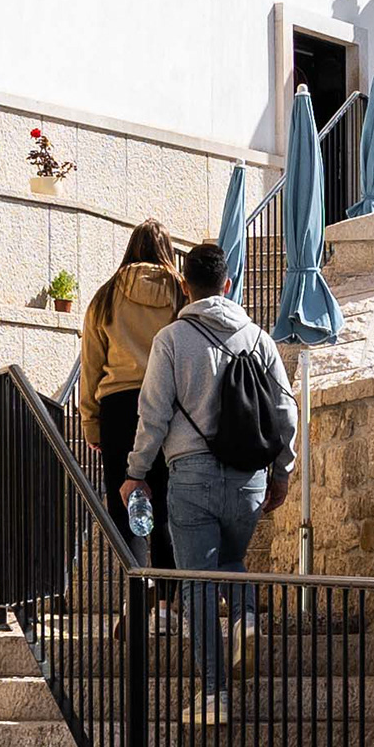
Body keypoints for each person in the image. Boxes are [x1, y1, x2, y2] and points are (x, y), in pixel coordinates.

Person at [127, 239, 294, 716]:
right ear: (228, 283)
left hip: (190, 476)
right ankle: (242, 617)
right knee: (232, 560)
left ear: (184, 286)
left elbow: (153, 414)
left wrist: (136, 472)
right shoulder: (258, 339)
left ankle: (215, 694)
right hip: (248, 479)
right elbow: (285, 411)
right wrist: (281, 470)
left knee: (198, 580)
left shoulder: (172, 341)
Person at [78, 217, 182, 552]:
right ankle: (168, 600)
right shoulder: (182, 293)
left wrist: (91, 423)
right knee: (166, 503)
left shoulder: (105, 296)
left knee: (126, 503)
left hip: (118, 405)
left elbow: (91, 364)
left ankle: (138, 595)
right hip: (169, 402)